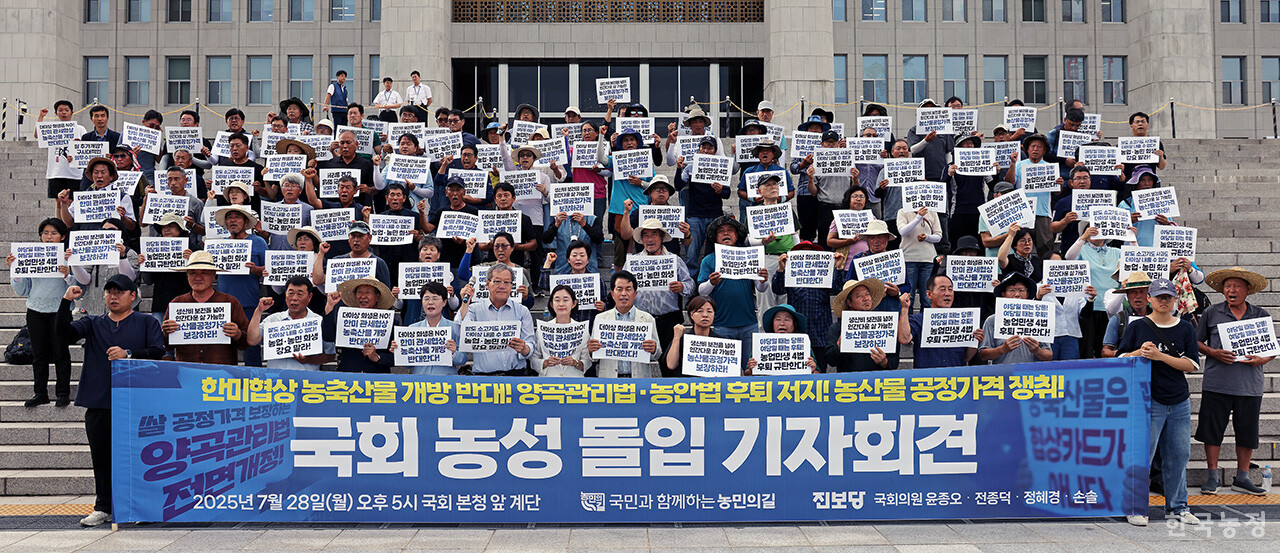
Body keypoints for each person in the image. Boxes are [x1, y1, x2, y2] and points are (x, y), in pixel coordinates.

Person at [56, 276, 165, 527]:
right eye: (109, 292)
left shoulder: (146, 322)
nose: (113, 296)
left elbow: (158, 351)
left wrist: (128, 353)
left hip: (137, 400)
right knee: (101, 456)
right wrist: (65, 302)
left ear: (133, 296)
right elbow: (63, 333)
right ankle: (103, 506)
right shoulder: (93, 323)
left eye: (119, 292)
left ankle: (139, 507)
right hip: (99, 400)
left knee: (141, 456)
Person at [1116, 277, 1201, 527]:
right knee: (1142, 455)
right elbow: (1121, 357)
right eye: (1159, 297)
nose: (1164, 301)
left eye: (1168, 297)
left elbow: (1192, 365)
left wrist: (1160, 356)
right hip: (1146, 400)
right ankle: (1135, 505)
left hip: (1178, 400)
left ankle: (1178, 506)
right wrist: (1139, 353)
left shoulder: (1185, 328)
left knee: (1178, 455)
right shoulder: (1137, 326)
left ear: (1176, 300)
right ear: (1150, 299)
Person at [1195, 267, 1274, 496]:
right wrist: (1213, 352)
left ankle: (1242, 477)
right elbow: (1197, 341)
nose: (1231, 290)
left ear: (1248, 290)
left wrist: (1261, 359)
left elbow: (1271, 350)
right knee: (1212, 430)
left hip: (1250, 384)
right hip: (1216, 382)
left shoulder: (1261, 315)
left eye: (1237, 286)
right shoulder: (1211, 312)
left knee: (1247, 432)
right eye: (1227, 286)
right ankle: (1212, 477)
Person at [6, 218, 74, 406]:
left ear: (62, 236)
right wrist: (15, 270)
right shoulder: (31, 256)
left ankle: (62, 393)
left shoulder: (68, 256)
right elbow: (23, 290)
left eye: (53, 233)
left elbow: (79, 287)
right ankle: (40, 393)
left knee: (61, 352)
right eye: (45, 233)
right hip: (35, 309)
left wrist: (68, 274)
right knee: (39, 354)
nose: (49, 237)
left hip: (60, 310)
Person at [624, 218, 695, 372]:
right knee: (639, 365)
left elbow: (690, 286)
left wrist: (682, 286)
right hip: (641, 320)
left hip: (669, 320)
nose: (650, 239)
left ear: (662, 238)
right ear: (641, 239)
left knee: (671, 365)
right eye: (646, 235)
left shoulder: (674, 260)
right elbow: (621, 287)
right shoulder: (632, 262)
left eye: (654, 235)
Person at [162, 251, 252, 364]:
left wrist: (237, 334)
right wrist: (165, 333)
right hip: (187, 370)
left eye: (204, 273)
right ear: (187, 275)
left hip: (222, 371)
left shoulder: (230, 302)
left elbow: (247, 342)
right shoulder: (177, 303)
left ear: (213, 275)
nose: (198, 277)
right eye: (193, 273)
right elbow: (165, 345)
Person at [772, 243, 846, 371]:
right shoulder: (790, 275)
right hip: (796, 334)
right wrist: (780, 269)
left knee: (819, 372)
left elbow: (838, 289)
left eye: (810, 255)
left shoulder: (824, 276)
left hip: (820, 333)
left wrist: (839, 268)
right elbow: (778, 289)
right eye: (803, 255)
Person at [696, 216, 771, 341]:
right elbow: (701, 291)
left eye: (730, 230)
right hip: (722, 324)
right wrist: (711, 283)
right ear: (716, 237)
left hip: (749, 323)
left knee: (749, 361)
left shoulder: (749, 256)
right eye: (721, 231)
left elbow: (761, 288)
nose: (725, 233)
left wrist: (764, 280)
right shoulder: (708, 260)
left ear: (737, 235)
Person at [455, 263, 536, 376]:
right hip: (484, 378)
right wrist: (465, 303)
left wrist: (524, 349)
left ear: (511, 286)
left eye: (507, 282)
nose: (502, 286)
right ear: (488, 284)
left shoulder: (522, 311)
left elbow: (530, 345)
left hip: (516, 376)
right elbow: (459, 332)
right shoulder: (474, 309)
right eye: (497, 281)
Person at [214, 205, 269, 366]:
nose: (232, 220)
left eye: (237, 217)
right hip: (223, 304)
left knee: (251, 345)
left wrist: (255, 269)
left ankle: (255, 380)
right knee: (223, 347)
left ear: (246, 222)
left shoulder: (258, 242)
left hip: (249, 303)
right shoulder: (220, 245)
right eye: (229, 217)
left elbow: (269, 270)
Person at [246, 275, 336, 371]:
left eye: (300, 294)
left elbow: (330, 355)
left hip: (306, 381)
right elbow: (252, 340)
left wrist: (308, 360)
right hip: (276, 381)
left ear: (309, 297)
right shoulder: (273, 320)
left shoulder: (318, 322)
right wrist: (259, 311)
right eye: (290, 293)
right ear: (285, 295)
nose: (294, 298)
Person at [898, 274, 984, 369]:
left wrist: (975, 342)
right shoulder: (919, 319)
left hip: (955, 378)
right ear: (929, 294)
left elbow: (967, 357)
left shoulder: (963, 320)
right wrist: (905, 308)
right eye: (942, 289)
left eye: (950, 289)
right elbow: (904, 339)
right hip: (927, 379)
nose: (947, 293)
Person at [674, 135, 732, 275]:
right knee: (692, 256)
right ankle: (692, 287)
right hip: (695, 217)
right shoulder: (690, 167)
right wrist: (678, 169)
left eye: (709, 148)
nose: (706, 150)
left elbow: (727, 193)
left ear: (715, 150)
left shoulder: (721, 166)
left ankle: (711, 281)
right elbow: (678, 186)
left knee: (713, 253)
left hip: (715, 216)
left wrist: (720, 190)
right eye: (703, 147)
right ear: (699, 150)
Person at [588, 271, 659, 378]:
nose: (623, 293)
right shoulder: (600, 318)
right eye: (619, 289)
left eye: (628, 289)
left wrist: (654, 349)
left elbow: (657, 354)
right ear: (612, 294)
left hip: (639, 380)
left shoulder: (647, 319)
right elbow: (594, 357)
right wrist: (591, 350)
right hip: (610, 379)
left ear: (635, 294)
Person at [1004, 133, 1064, 258]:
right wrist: (1012, 164)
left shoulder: (1050, 167)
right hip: (1022, 213)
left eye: (1039, 147)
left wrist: (1060, 184)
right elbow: (1009, 182)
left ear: (1045, 150)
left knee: (1046, 251)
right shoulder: (1019, 165)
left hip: (1043, 214)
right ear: (1027, 149)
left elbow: (1057, 192)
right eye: (1032, 146)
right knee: (1019, 250)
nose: (1035, 149)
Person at [323, 277, 398, 373]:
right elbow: (328, 336)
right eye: (359, 292)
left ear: (377, 297)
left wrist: (377, 357)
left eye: (368, 292)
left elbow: (397, 356)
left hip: (377, 378)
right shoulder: (346, 318)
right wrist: (330, 305)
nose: (363, 296)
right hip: (349, 376)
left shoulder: (390, 322)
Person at [392, 282, 466, 376]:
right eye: (426, 299)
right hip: (420, 383)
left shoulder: (454, 327)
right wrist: (399, 351)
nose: (430, 302)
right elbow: (407, 366)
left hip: (447, 383)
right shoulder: (412, 329)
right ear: (422, 302)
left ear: (444, 302)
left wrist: (453, 352)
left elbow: (463, 359)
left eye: (435, 298)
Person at [977, 273, 1054, 364]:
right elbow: (983, 355)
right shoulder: (992, 320)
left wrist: (1037, 350)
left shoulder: (1039, 319)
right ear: (1003, 294)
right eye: (1012, 290)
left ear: (1027, 294)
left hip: (1030, 376)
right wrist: (1003, 349)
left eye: (1021, 290)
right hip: (1002, 375)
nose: (1017, 294)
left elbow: (1048, 356)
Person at [826, 278, 898, 371]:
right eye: (859, 296)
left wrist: (884, 362)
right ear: (849, 303)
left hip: (877, 381)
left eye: (867, 294)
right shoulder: (837, 328)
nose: (866, 298)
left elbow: (894, 362)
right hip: (850, 382)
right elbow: (831, 361)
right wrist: (839, 344)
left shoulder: (884, 324)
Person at [532, 285, 591, 377]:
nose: (561, 304)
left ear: (574, 304)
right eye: (557, 300)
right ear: (551, 304)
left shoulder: (582, 329)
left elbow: (587, 360)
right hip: (548, 382)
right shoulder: (542, 328)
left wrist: (575, 363)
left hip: (574, 381)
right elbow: (533, 359)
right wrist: (545, 362)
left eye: (566, 300)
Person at [747, 304, 819, 375]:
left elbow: (818, 374)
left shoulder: (802, 345)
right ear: (772, 324)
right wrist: (751, 369)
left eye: (787, 320)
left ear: (794, 324)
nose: (782, 323)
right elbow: (747, 374)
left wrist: (812, 370)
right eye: (778, 319)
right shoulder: (761, 345)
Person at [36, 100, 88, 198]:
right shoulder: (52, 129)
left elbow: (85, 147)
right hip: (56, 171)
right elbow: (37, 135)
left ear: (71, 113)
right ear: (56, 113)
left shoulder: (80, 129)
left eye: (66, 110)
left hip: (75, 173)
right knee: (58, 201)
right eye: (60, 110)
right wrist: (41, 117)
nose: (64, 112)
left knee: (71, 201)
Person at [664, 296, 724, 376]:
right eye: (700, 311)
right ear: (691, 315)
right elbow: (671, 365)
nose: (705, 315)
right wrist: (676, 338)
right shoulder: (683, 340)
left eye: (709, 311)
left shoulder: (721, 341)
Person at [898, 205, 941, 312]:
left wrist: (927, 237)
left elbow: (939, 236)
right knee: (910, 296)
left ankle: (925, 324)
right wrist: (918, 217)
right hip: (909, 258)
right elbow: (903, 231)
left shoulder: (932, 212)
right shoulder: (902, 211)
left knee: (927, 297)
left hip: (928, 259)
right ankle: (909, 325)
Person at [825, 187, 873, 273]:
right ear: (849, 199)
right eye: (855, 196)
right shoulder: (839, 218)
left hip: (866, 266)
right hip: (845, 265)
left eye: (862, 197)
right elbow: (829, 241)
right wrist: (848, 241)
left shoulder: (872, 218)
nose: (858, 199)